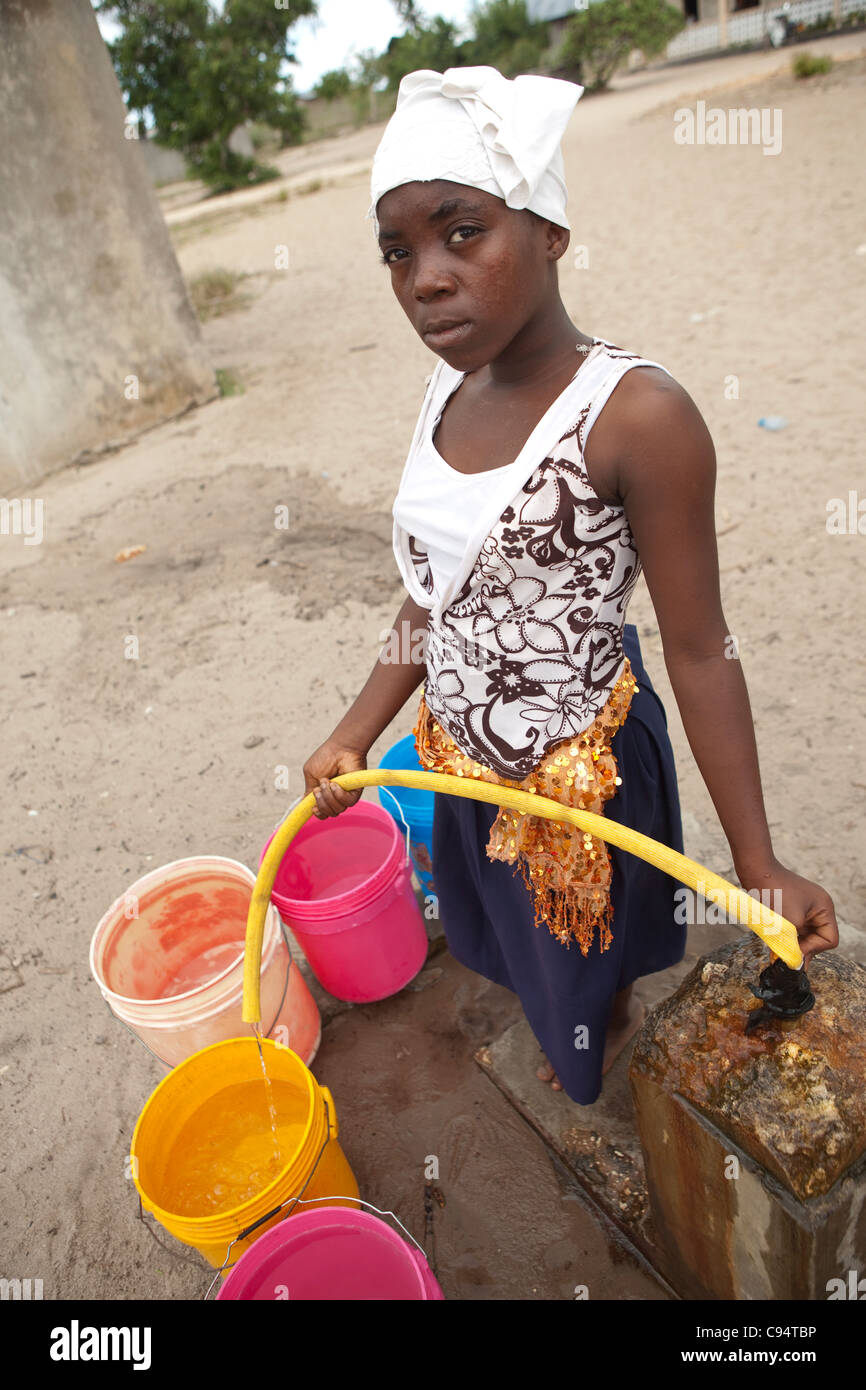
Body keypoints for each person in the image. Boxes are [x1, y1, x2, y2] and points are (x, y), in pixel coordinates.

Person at [302, 65, 838, 1105]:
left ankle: (596, 1034)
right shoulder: (442, 393)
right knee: (502, 936)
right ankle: (570, 1023)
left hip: (572, 783)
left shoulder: (635, 417)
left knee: (585, 960)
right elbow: (434, 595)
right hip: (463, 767)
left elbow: (696, 649)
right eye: (397, 251)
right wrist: (355, 729)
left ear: (547, 229)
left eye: (463, 232)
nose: (426, 277)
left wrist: (757, 859)